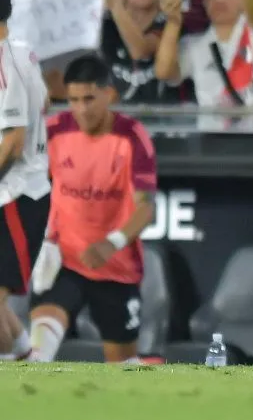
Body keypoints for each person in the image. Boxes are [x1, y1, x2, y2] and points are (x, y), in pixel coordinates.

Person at [27, 54, 156, 363]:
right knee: (38, 351)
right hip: (65, 262)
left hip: (115, 267)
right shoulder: (52, 131)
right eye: (73, 100)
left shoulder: (132, 137)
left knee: (123, 367)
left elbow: (146, 208)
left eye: (89, 99)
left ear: (108, 94)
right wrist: (43, 240)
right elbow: (30, 189)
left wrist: (112, 243)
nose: (81, 109)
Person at [0, 0, 50, 362]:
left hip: (16, 193)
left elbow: (13, 141)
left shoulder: (2, 60)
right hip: (20, 190)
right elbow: (45, 104)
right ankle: (24, 360)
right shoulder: (23, 52)